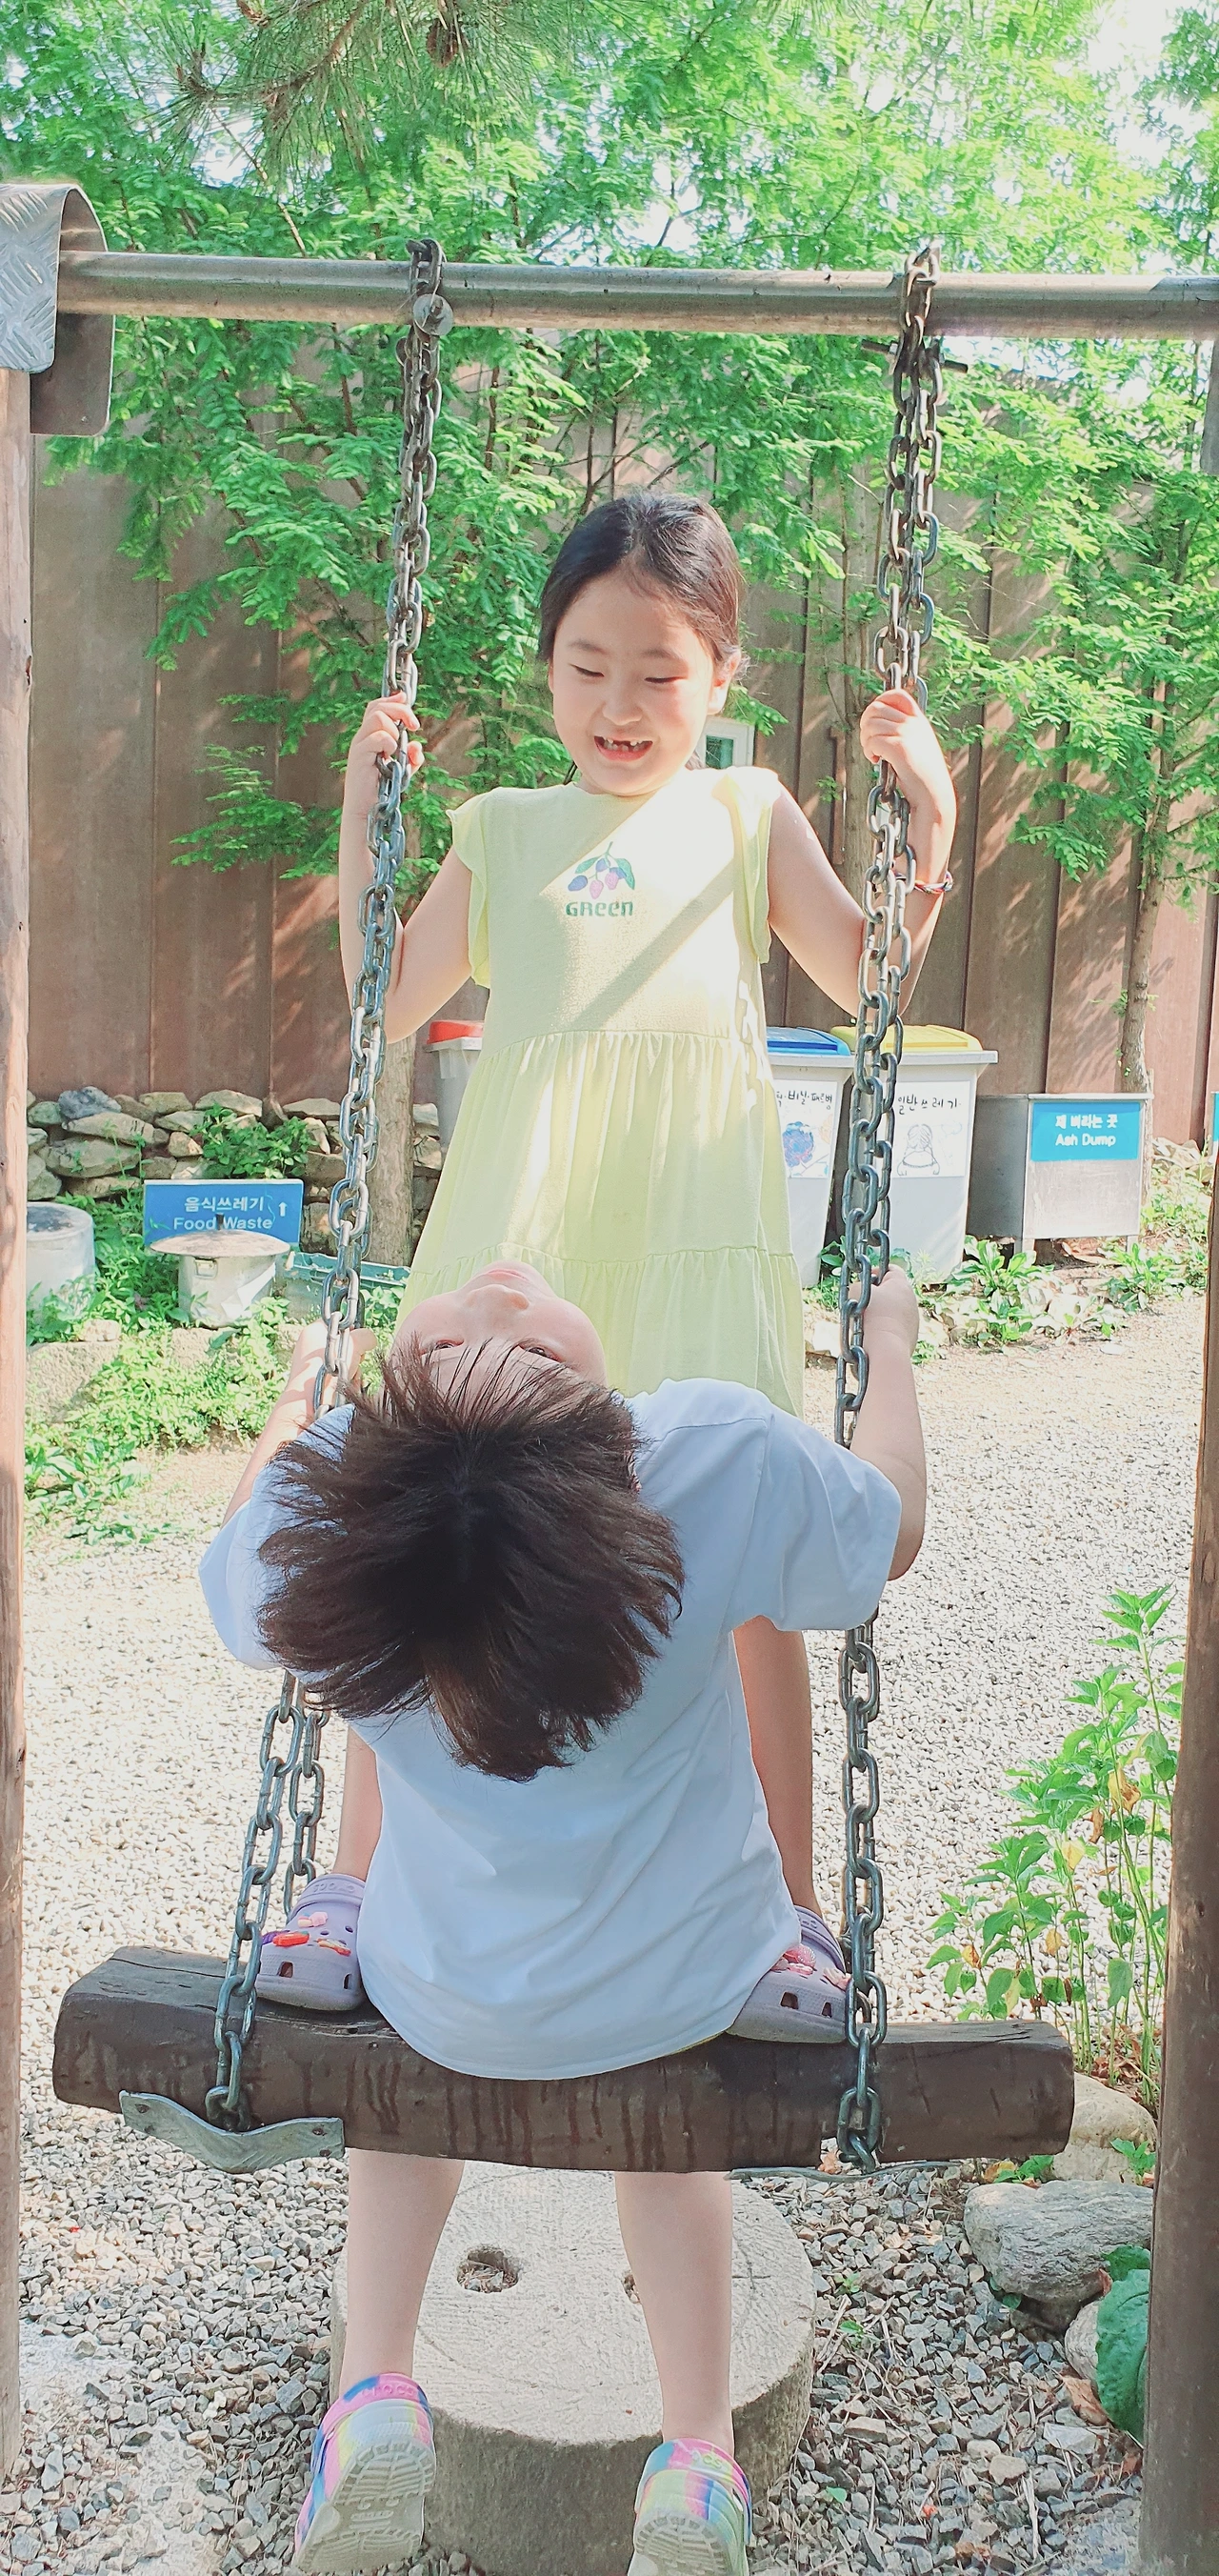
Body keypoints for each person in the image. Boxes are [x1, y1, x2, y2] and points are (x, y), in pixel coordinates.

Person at [263, 491, 954, 2020]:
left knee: (747, 1572)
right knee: (431, 1551)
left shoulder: (746, 817)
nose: (620, 704)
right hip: (521, 1239)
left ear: (721, 678)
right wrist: (365, 811)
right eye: (587, 666)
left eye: (659, 670)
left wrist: (931, 824)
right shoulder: (505, 831)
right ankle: (351, 1887)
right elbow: (390, 991)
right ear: (547, 670)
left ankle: (788, 1914)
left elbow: (870, 982)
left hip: (694, 1230)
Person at [200, 1258, 926, 2576]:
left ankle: (374, 2395)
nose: (496, 1286)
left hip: (442, 1994)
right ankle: (696, 2458)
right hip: (693, 1984)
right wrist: (890, 1343)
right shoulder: (701, 1463)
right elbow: (896, 1531)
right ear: (598, 1416)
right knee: (672, 2142)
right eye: (499, 1343)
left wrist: (299, 1406)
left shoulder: (330, 1507)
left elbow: (234, 1572)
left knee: (398, 2096)